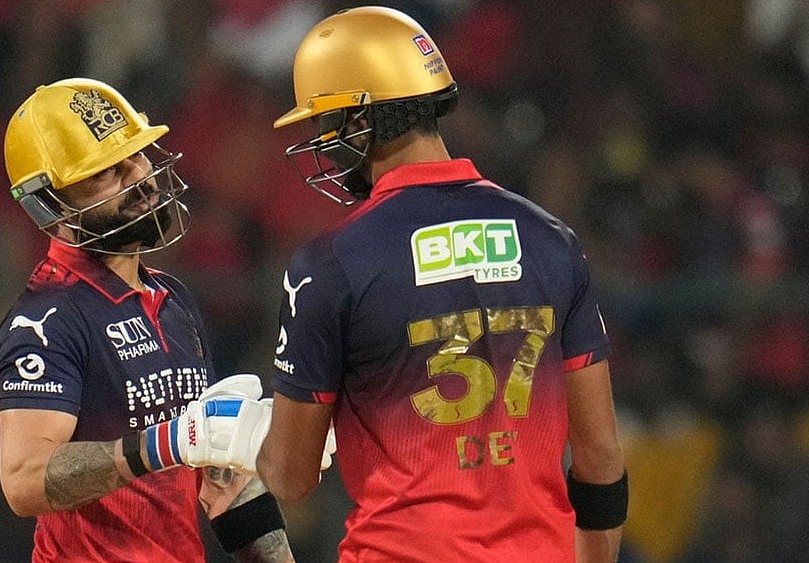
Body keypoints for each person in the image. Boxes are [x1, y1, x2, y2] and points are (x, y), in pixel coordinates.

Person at [256, 6, 628, 562]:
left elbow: (289, 478)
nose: (321, 140)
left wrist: (239, 440)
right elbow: (599, 457)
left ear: (359, 123)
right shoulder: (552, 240)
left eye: (323, 123)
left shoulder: (329, 264)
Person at [0, 77, 291, 562]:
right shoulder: (46, 319)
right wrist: (171, 441)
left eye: (139, 153)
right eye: (108, 172)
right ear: (51, 205)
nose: (142, 177)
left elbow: (222, 485)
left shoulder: (173, 299)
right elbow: (24, 479)